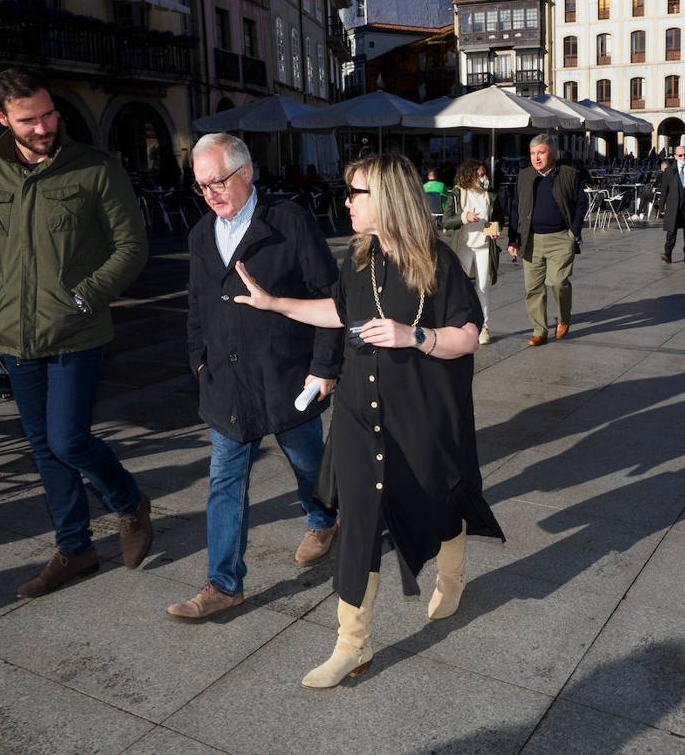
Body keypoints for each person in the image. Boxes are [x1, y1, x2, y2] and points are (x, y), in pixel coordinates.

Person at [232, 154, 505, 688]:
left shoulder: (437, 262)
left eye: (356, 192)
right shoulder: (357, 261)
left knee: (438, 496)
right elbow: (337, 313)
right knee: (358, 522)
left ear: (387, 198)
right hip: (360, 411)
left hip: (421, 411)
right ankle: (352, 644)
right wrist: (274, 303)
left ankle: (452, 574)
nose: (347, 201)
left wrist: (414, 336)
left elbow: (468, 336)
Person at [0, 68, 151, 598]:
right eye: (28, 119)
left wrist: (85, 295)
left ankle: (129, 503)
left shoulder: (95, 168)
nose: (43, 127)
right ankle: (75, 547)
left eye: (48, 113)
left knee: (67, 438)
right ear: (1, 117)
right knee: (43, 448)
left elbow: (131, 247)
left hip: (77, 331)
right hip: (14, 335)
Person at [168, 133, 341, 621]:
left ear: (246, 173)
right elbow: (197, 305)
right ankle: (224, 584)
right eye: (201, 186)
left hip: (286, 376)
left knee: (308, 463)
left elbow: (329, 295)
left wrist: (324, 367)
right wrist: (198, 361)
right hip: (227, 383)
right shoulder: (202, 234)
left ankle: (324, 520)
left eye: (218, 181)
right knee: (225, 481)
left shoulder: (288, 223)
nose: (211, 194)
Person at [507, 134, 588, 345]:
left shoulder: (569, 174)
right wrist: (512, 238)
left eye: (541, 153)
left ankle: (564, 318)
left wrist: (574, 232)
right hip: (530, 240)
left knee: (558, 282)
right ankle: (539, 331)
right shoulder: (524, 176)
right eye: (533, 153)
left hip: (560, 238)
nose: (536, 158)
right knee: (533, 288)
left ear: (551, 153)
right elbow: (516, 207)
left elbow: (581, 203)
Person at [442, 160, 500, 345]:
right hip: (463, 247)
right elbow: (445, 221)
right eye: (480, 174)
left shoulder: (489, 195)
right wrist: (463, 217)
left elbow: (497, 217)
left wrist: (494, 229)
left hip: (483, 246)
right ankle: (461, 324)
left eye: (485, 174)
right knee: (461, 287)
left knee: (482, 287)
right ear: (470, 175)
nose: (484, 178)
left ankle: (484, 327)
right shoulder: (458, 192)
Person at [656, 144, 685, 263]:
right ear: (675, 156)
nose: (683, 157)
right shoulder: (669, 171)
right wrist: (661, 206)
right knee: (671, 231)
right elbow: (664, 190)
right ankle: (668, 254)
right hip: (673, 206)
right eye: (680, 155)